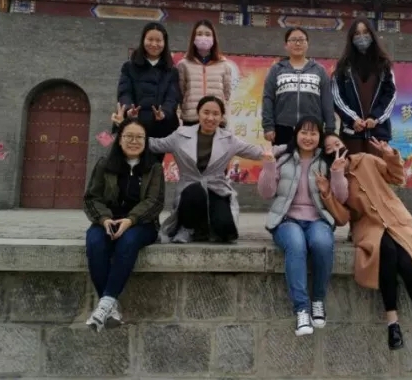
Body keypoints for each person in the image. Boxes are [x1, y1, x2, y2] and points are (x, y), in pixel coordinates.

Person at [322, 132, 412, 359]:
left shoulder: (367, 160)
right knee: (385, 251)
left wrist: (390, 155)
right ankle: (392, 322)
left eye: (337, 144)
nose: (336, 150)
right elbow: (341, 218)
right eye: (330, 149)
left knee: (408, 263)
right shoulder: (332, 178)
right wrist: (331, 186)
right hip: (367, 226)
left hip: (396, 219)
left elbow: (397, 177)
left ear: (345, 144)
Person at [149, 95, 284, 243]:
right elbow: (155, 145)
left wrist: (291, 146)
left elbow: (259, 151)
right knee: (194, 191)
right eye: (206, 112)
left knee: (226, 232)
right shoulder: (180, 135)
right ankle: (188, 228)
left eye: (215, 114)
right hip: (189, 191)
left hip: (216, 189)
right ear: (198, 113)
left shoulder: (229, 140)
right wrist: (131, 136)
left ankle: (206, 228)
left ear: (221, 117)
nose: (210, 118)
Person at [258, 117, 348, 336]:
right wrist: (268, 166)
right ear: (296, 135)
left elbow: (341, 197)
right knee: (296, 245)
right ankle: (301, 309)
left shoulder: (325, 162)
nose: (308, 137)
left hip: (318, 220)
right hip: (287, 220)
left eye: (314, 133)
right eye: (304, 133)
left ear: (319, 137)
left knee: (322, 243)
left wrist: (337, 173)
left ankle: (317, 300)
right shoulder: (283, 159)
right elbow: (266, 193)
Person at [83, 118, 165, 332]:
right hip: (108, 220)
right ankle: (110, 308)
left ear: (145, 141)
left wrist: (130, 220)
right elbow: (92, 198)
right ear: (119, 139)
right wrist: (104, 219)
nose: (134, 141)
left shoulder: (154, 168)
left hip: (141, 223)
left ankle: (104, 304)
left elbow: (155, 201)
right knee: (95, 242)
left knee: (127, 242)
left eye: (139, 137)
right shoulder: (105, 164)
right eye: (129, 136)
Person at [331, 18, 396, 155]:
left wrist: (375, 118)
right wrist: (353, 119)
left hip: (378, 134)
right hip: (352, 133)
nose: (362, 37)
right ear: (351, 38)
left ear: (372, 35)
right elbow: (337, 97)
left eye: (365, 32)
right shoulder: (343, 66)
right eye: (357, 33)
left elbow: (390, 95)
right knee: (352, 167)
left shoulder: (383, 64)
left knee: (377, 168)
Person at [261, 27, 336, 147]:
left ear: (307, 44)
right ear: (286, 45)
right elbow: (268, 98)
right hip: (282, 128)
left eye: (301, 40)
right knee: (283, 159)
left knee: (313, 159)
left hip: (312, 129)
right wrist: (268, 126)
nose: (297, 43)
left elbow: (327, 100)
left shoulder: (319, 70)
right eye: (293, 40)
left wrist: (330, 129)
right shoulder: (276, 69)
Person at [114, 22, 181, 155]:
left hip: (160, 128)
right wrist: (128, 109)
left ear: (164, 43)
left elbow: (172, 97)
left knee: (154, 164)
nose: (154, 44)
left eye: (158, 40)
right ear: (143, 40)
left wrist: (164, 113)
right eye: (150, 39)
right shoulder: (129, 67)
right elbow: (124, 92)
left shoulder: (171, 71)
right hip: (133, 125)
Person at [177, 19, 232, 126]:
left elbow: (226, 93)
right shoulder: (183, 64)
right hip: (191, 119)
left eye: (207, 34)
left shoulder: (224, 65)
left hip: (215, 120)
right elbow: (181, 92)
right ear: (193, 38)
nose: (203, 37)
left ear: (213, 38)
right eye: (199, 34)